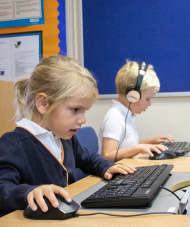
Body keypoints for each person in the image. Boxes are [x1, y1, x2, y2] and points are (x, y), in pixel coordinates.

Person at [0, 56, 136, 214]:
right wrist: (29, 193)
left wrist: (106, 166)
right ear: (43, 104)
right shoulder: (13, 144)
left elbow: (88, 158)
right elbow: (3, 187)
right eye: (75, 110)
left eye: (84, 111)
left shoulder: (65, 138)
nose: (83, 119)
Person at [98, 61, 174, 162]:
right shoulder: (114, 117)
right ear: (133, 95)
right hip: (113, 175)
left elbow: (127, 146)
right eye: (147, 99)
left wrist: (151, 142)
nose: (149, 104)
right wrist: (139, 148)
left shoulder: (127, 115)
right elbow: (107, 155)